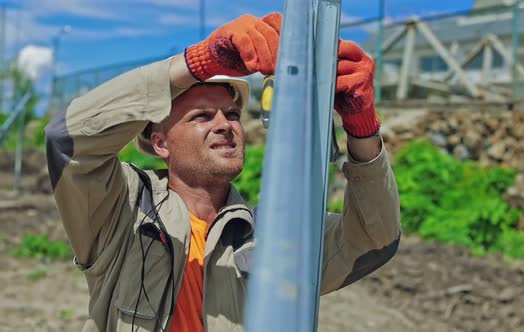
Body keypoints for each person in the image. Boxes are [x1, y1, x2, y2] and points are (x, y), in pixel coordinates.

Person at [45, 12, 401, 332]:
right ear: (160, 143)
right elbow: (68, 138)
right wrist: (197, 62)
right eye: (201, 116)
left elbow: (375, 239)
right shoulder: (120, 210)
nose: (224, 125)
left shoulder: (270, 236)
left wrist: (362, 126)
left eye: (231, 115)